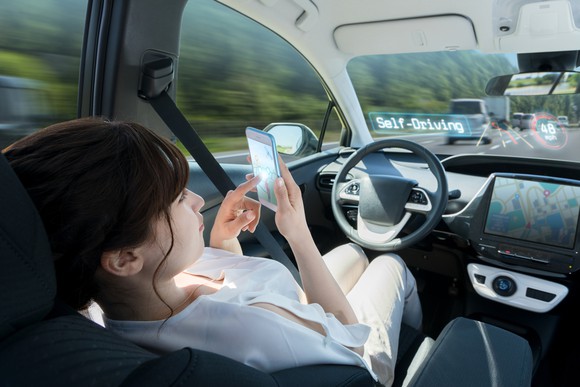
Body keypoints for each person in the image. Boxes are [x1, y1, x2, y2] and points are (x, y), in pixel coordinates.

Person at [3, 116, 423, 386]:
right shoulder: (256, 327)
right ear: (124, 259)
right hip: (355, 365)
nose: (197, 202)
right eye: (174, 200)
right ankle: (410, 351)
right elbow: (348, 337)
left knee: (351, 256)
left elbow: (222, 298)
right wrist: (298, 235)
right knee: (390, 262)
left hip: (295, 322)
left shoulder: (103, 306)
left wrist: (223, 245)